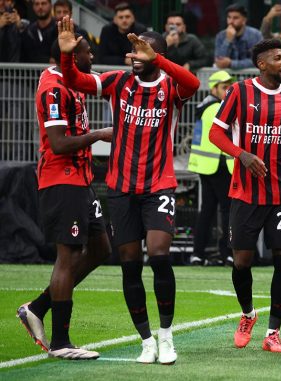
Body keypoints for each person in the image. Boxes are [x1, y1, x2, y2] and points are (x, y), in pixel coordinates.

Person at [58, 16, 200, 364]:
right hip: (121, 187)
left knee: (160, 254)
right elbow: (75, 79)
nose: (134, 58)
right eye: (133, 52)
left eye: (141, 53)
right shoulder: (118, 82)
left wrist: (158, 58)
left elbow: (193, 83)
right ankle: (146, 340)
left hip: (158, 184)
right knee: (129, 262)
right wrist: (66, 57)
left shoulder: (170, 88)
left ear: (157, 56)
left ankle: (167, 337)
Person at [209, 38, 281, 353]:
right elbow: (215, 132)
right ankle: (247, 315)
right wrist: (241, 154)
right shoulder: (238, 92)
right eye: (279, 58)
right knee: (242, 261)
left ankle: (273, 332)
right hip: (245, 192)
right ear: (262, 64)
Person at [17, 34, 112, 361]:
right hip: (61, 178)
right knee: (68, 255)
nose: (93, 55)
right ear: (68, 55)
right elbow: (57, 143)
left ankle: (37, 308)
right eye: (87, 51)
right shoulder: (53, 88)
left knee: (101, 247)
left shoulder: (68, 80)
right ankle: (61, 342)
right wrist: (100, 135)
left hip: (80, 178)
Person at [187, 70, 235, 266]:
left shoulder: (204, 105)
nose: (228, 91)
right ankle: (227, 254)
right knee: (227, 210)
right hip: (220, 164)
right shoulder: (217, 108)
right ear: (214, 88)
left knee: (206, 211)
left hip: (207, 166)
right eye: (225, 87)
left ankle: (198, 253)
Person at [214, 4, 262, 69]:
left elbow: (258, 60)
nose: (231, 21)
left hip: (249, 76)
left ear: (244, 20)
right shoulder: (221, 36)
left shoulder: (255, 35)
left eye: (235, 18)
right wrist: (228, 41)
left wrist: (231, 63)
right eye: (229, 17)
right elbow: (219, 61)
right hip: (227, 77)